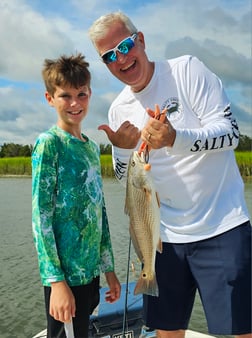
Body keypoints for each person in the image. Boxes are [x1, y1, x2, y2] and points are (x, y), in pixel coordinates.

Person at [88, 11, 251, 338]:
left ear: (141, 40)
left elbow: (230, 133)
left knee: (242, 330)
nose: (120, 59)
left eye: (124, 46)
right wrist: (121, 149)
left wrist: (175, 138)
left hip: (222, 225)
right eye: (109, 56)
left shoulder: (186, 70)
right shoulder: (119, 109)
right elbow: (125, 179)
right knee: (166, 331)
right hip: (162, 239)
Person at [32, 53, 121, 338]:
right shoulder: (49, 144)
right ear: (50, 98)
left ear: (90, 94)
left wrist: (109, 269)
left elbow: (100, 210)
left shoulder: (93, 149)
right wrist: (56, 282)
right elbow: (41, 218)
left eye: (81, 95)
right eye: (65, 96)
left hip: (91, 277)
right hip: (65, 281)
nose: (74, 103)